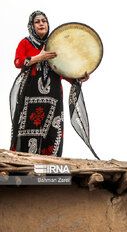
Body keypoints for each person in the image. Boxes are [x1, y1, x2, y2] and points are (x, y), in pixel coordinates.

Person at [10, 10, 97, 158]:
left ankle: (48, 169)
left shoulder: (56, 44)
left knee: (51, 133)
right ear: (31, 26)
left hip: (53, 97)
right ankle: (23, 166)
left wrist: (79, 78)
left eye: (44, 21)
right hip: (29, 96)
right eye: (37, 22)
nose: (41, 24)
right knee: (26, 130)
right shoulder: (25, 43)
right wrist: (39, 57)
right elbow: (18, 62)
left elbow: (64, 69)